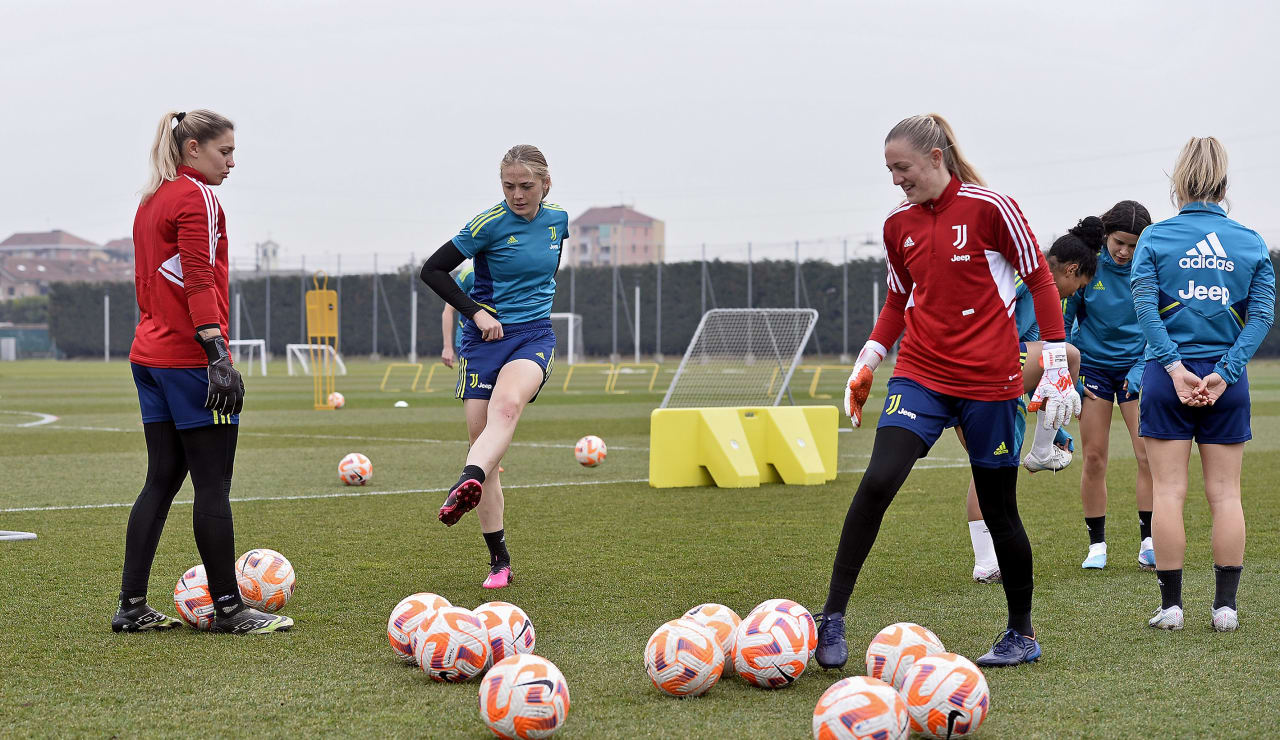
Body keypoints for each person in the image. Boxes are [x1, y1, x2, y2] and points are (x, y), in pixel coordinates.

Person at [826, 113, 1079, 669]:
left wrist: (1057, 360)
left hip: (989, 381)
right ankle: (832, 617)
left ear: (935, 158)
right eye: (890, 170)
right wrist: (868, 360)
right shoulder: (898, 225)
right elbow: (898, 300)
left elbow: (1039, 279)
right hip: (919, 372)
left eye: (903, 167)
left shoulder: (993, 208)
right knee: (877, 481)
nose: (896, 179)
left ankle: (1021, 633)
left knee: (999, 508)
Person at [113, 110, 291, 634]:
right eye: (225, 151)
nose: (232, 162)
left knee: (162, 480)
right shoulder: (196, 196)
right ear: (193, 148)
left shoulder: (151, 199)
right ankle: (231, 608)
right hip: (189, 360)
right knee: (213, 485)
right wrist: (217, 353)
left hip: (148, 356)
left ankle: (131, 605)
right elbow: (197, 279)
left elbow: (153, 282)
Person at [1132, 137, 1274, 632]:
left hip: (1165, 379)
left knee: (1169, 492)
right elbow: (1261, 316)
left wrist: (1174, 368)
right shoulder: (1250, 242)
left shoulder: (1154, 238)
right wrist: (1225, 372)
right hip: (1224, 381)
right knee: (1226, 494)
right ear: (1224, 183)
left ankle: (1171, 608)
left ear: (1179, 182)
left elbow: (1146, 311)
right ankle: (1226, 609)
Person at [419, 145, 568, 589]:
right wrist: (476, 312)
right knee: (485, 444)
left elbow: (545, 274)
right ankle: (498, 558)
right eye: (509, 186)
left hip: (533, 337)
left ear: (546, 183)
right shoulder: (487, 224)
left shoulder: (558, 220)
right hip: (484, 343)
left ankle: (465, 481)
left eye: (526, 186)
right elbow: (434, 270)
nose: (517, 195)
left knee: (506, 410)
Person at [966, 231, 1095, 582]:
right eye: (1079, 285)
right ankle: (1040, 453)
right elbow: (986, 305)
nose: (1076, 293)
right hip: (980, 365)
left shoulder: (1043, 306)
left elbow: (1040, 367)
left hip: (993, 376)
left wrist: (1058, 426)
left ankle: (985, 563)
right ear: (1070, 271)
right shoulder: (1028, 274)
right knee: (1068, 355)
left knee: (991, 468)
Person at [1062, 202, 1156, 571]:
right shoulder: (1090, 265)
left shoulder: (1152, 268)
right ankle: (1096, 545)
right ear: (1106, 236)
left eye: (1133, 245)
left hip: (1137, 370)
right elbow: (1064, 322)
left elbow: (1159, 324)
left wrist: (1143, 366)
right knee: (1096, 458)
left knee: (1147, 456)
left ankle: (1148, 542)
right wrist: (1073, 371)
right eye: (1119, 242)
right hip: (1094, 371)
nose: (1125, 252)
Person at [440, 264, 475, 369]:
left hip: (499, 340)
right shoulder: (468, 274)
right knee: (473, 383)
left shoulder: (508, 271)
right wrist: (447, 347)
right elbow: (448, 311)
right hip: (468, 342)